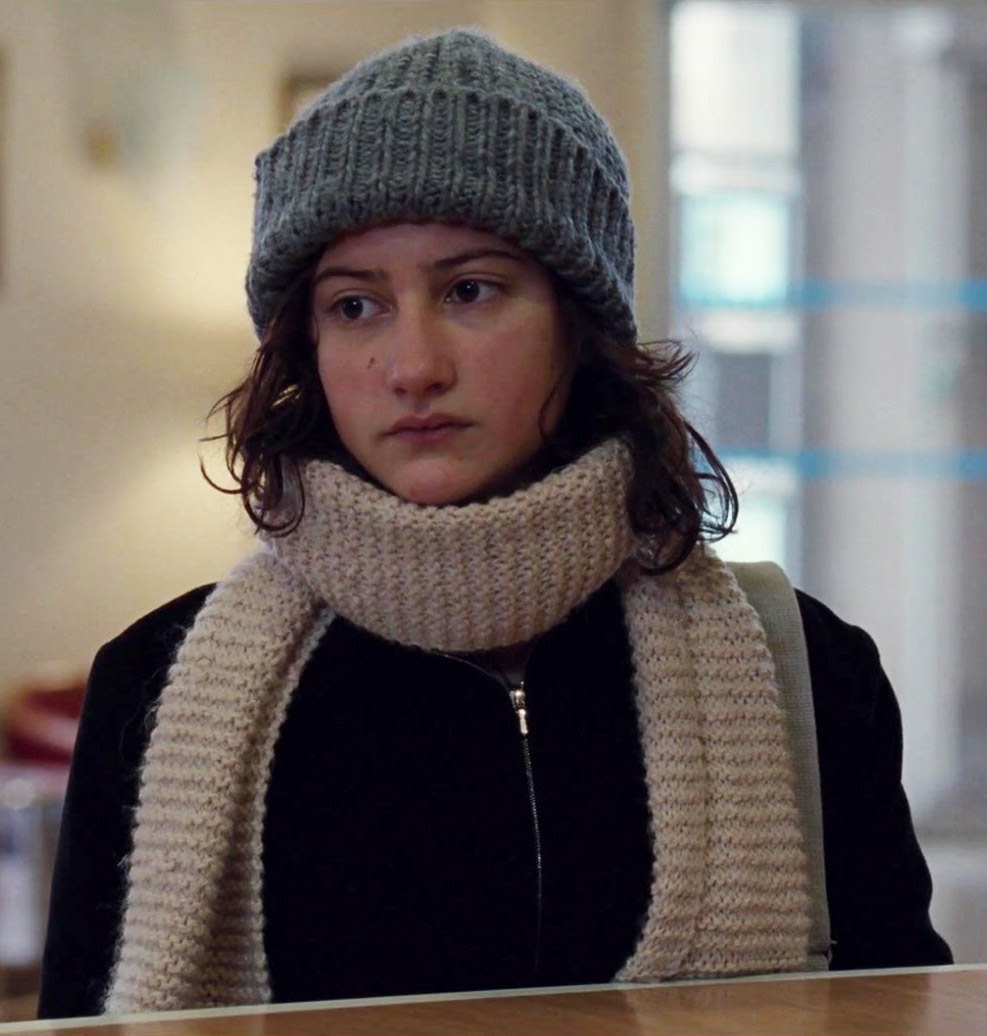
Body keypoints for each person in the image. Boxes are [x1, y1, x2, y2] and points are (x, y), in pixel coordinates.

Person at [37, 27, 951, 1019]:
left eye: (470, 291)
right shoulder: (150, 690)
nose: (413, 366)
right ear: (306, 344)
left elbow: (892, 1013)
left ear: (579, 323)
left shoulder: (805, 672)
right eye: (355, 306)